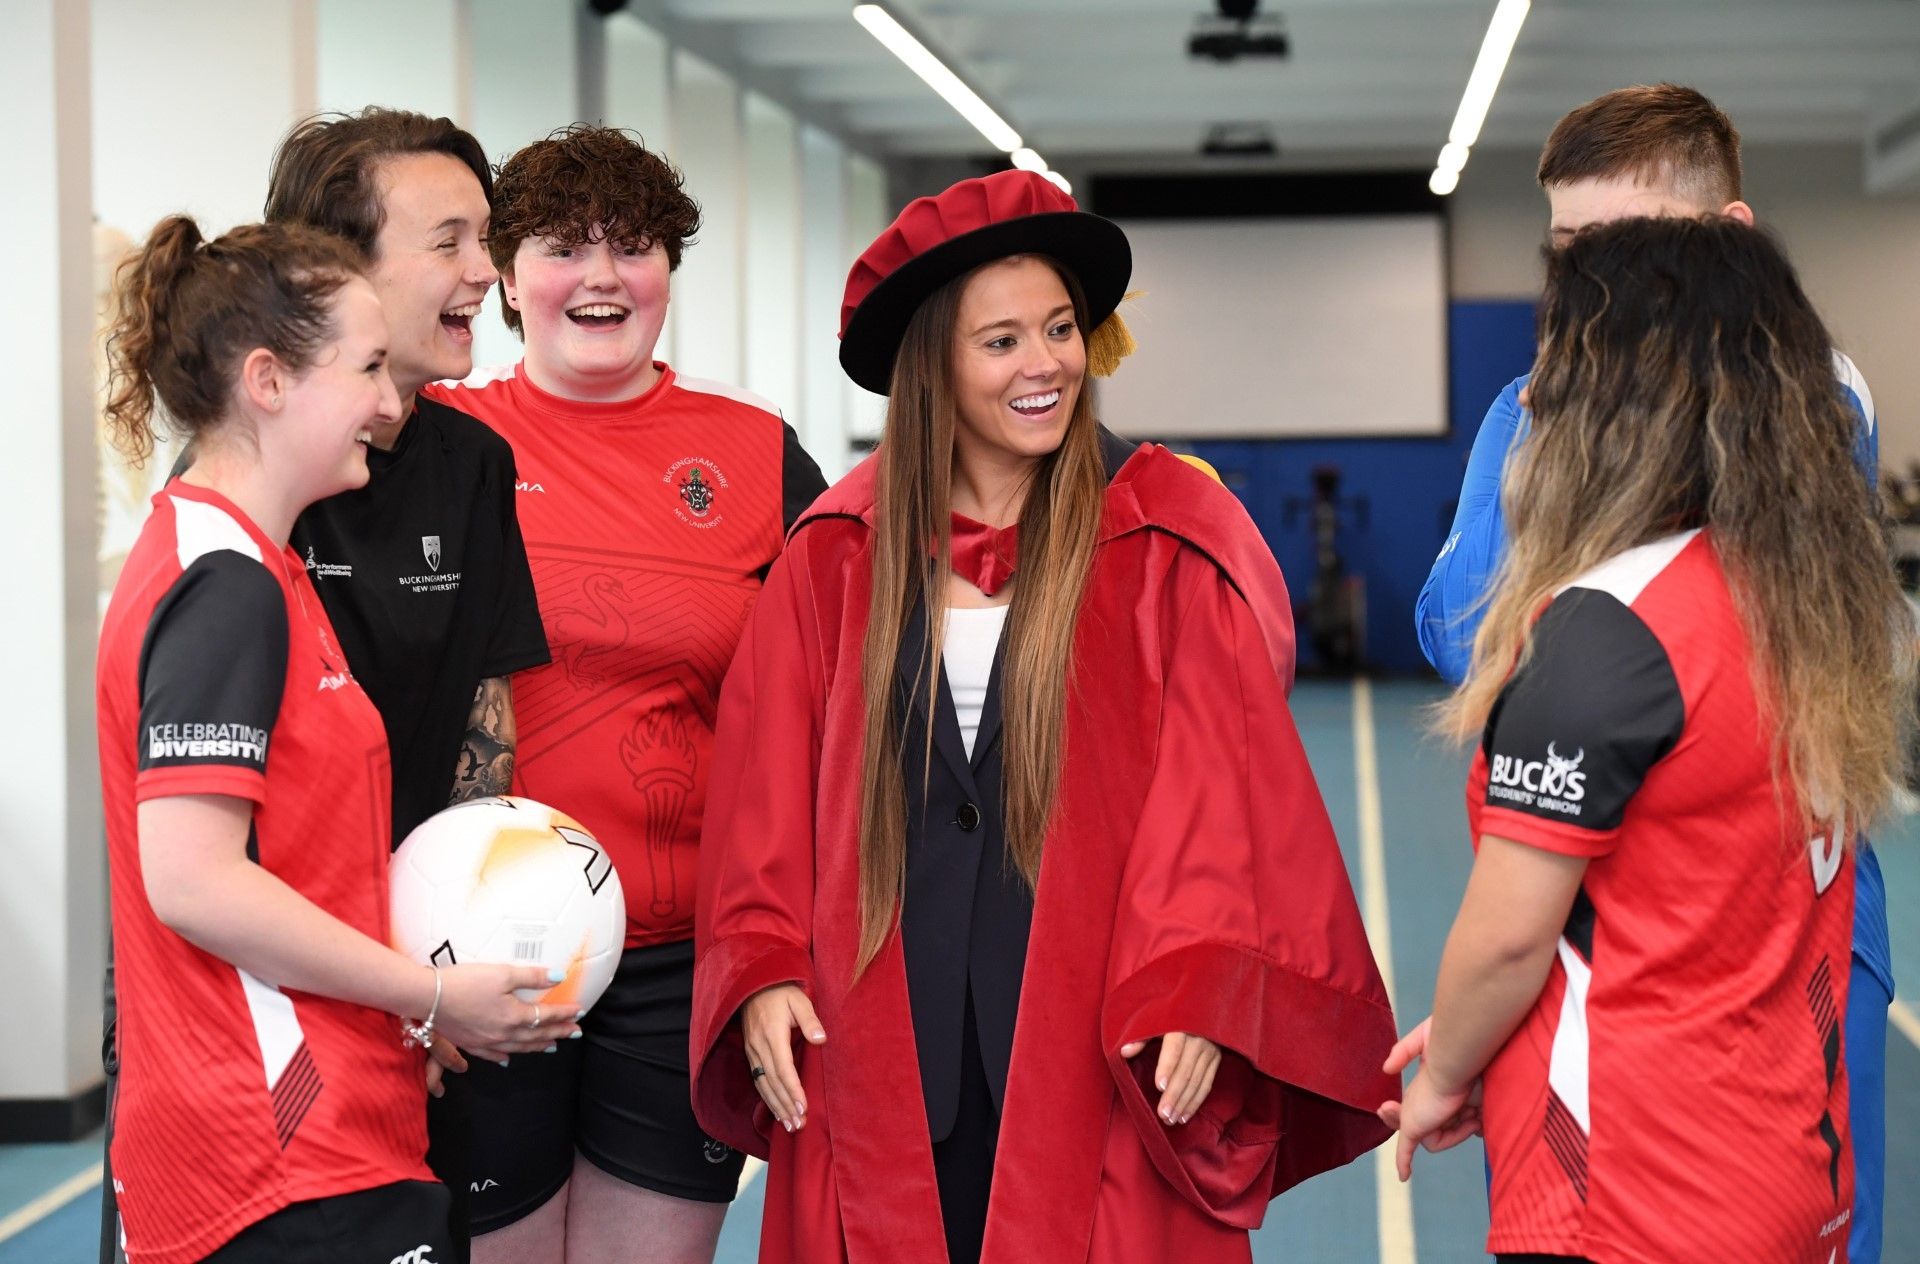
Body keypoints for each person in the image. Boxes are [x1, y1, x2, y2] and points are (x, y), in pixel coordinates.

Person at [690, 168, 1399, 1264]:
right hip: (882, 1027)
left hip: (1099, 1032)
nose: (1047, 365)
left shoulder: (1165, 537)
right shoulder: (836, 556)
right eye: (1003, 341)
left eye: (1062, 329)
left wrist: (1204, 981)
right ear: (934, 367)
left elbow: (1221, 789)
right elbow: (761, 793)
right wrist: (763, 964)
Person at [1409, 83, 1892, 1263]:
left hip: (1783, 907)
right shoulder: (1533, 406)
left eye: (1621, 254)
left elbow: (1493, 637)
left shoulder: (1808, 404)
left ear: (1721, 244)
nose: (1586, 293)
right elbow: (1452, 631)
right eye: (1570, 254)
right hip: (1646, 889)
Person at [99, 108, 552, 1264]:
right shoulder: (230, 580)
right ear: (265, 380)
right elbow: (195, 882)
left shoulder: (255, 562)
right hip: (276, 1132)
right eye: (361, 371)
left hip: (326, 1101)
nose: (387, 399)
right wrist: (430, 991)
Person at [427, 125, 828, 1263]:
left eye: (635, 245)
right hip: (483, 959)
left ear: (668, 272)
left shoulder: (756, 452)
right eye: (563, 246)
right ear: (505, 277)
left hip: (682, 959)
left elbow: (826, 702)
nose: (602, 274)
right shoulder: (439, 443)